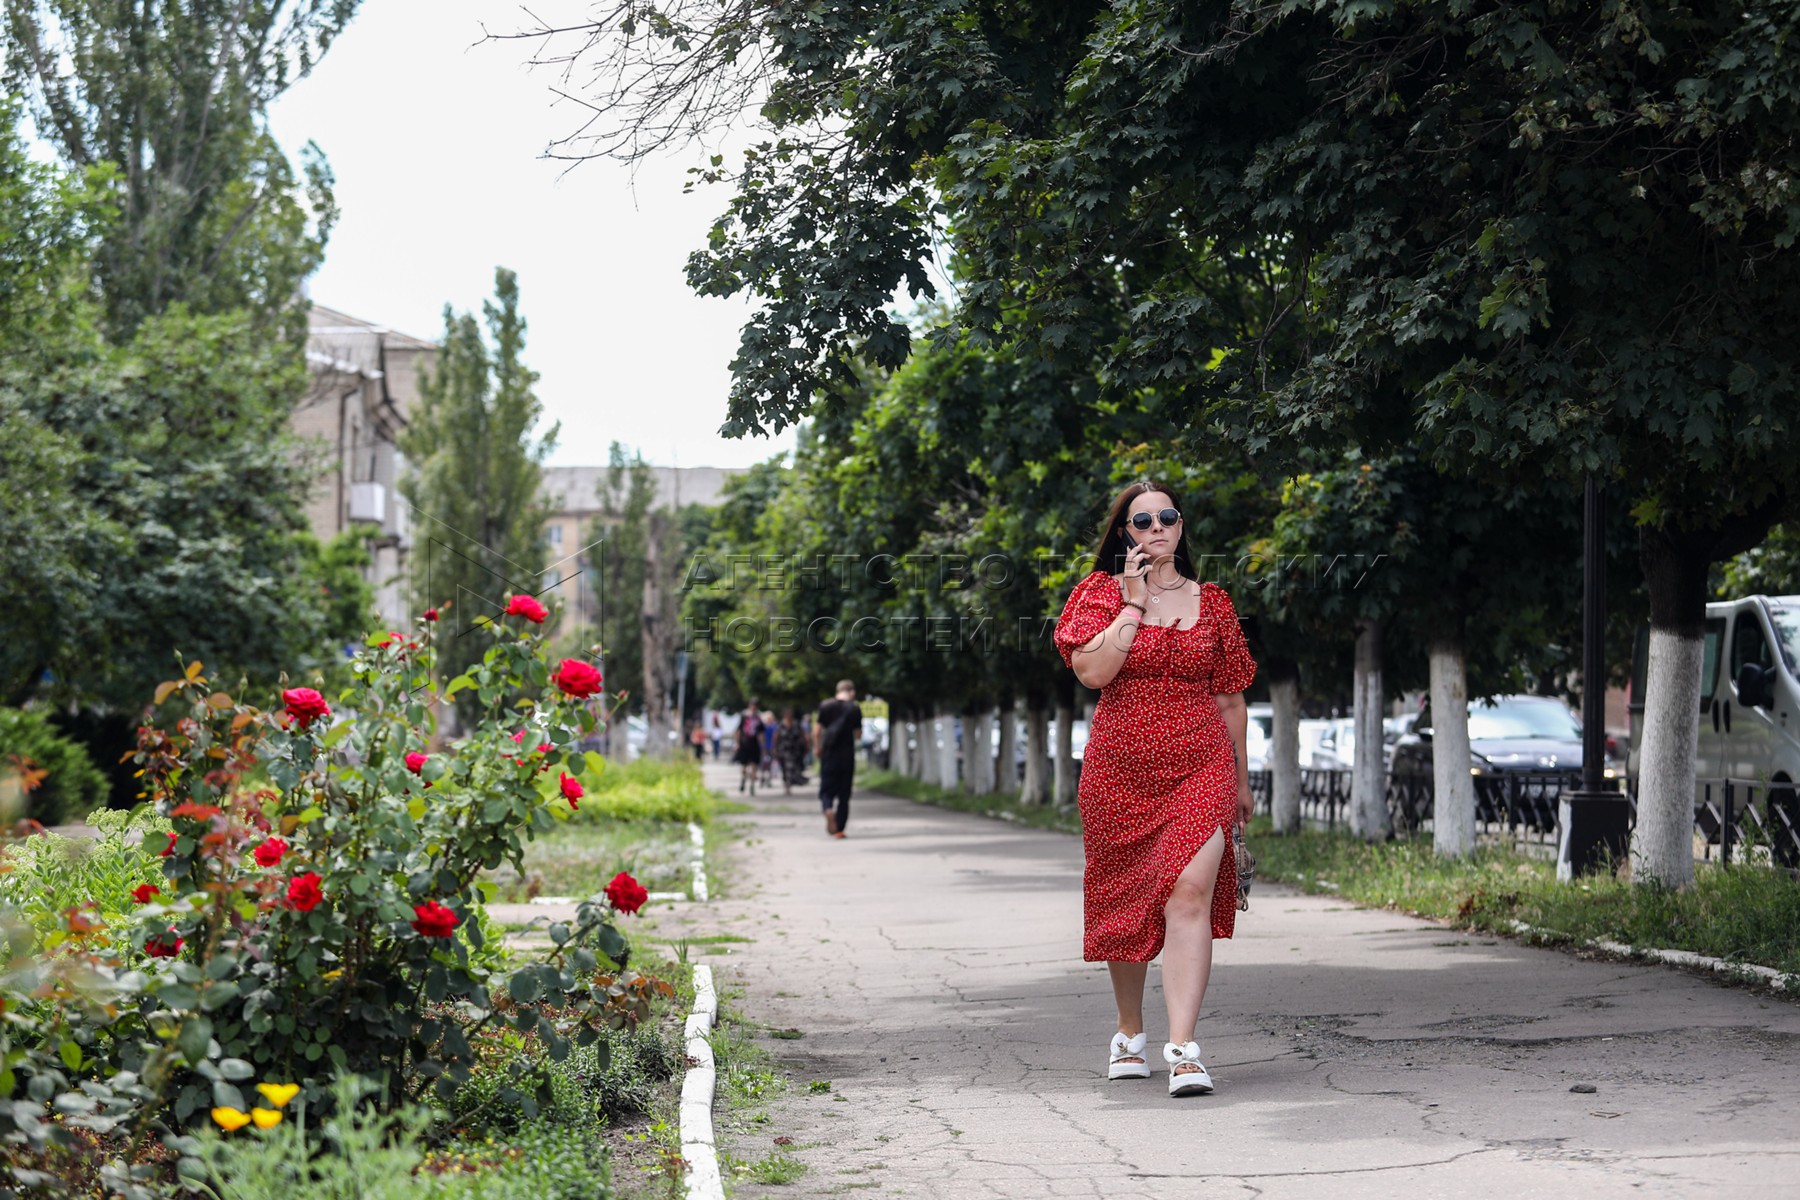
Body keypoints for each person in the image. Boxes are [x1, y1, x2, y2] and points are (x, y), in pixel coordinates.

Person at [1051, 480, 1256, 1099]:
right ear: (1125, 535)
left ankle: (1184, 1050)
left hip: (1201, 765)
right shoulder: (1097, 595)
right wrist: (1133, 604)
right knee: (1128, 899)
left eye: (1168, 517)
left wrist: (1241, 781)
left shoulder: (1213, 603)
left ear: (1181, 526)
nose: (1158, 528)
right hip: (1120, 771)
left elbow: (1230, 697)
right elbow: (1092, 671)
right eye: (1143, 521)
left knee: (1189, 892)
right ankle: (1129, 1033)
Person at [813, 680, 863, 838]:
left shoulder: (826, 706)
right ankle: (840, 829)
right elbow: (858, 735)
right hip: (846, 755)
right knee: (844, 794)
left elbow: (817, 732)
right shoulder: (854, 708)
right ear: (852, 692)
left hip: (829, 754)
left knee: (826, 789)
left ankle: (828, 810)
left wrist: (818, 748)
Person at [732, 700, 764, 794]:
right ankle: (743, 779)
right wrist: (737, 743)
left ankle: (752, 785)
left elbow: (761, 734)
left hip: (754, 744)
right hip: (744, 744)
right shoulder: (744, 718)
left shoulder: (758, 720)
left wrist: (763, 746)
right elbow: (738, 731)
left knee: (754, 765)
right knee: (743, 765)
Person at [776, 708, 809, 794]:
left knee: (792, 767)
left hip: (795, 750)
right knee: (785, 768)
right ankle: (787, 784)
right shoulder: (781, 724)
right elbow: (776, 737)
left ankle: (790, 783)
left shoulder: (796, 724)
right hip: (784, 749)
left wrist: (806, 746)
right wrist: (775, 749)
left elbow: (803, 735)